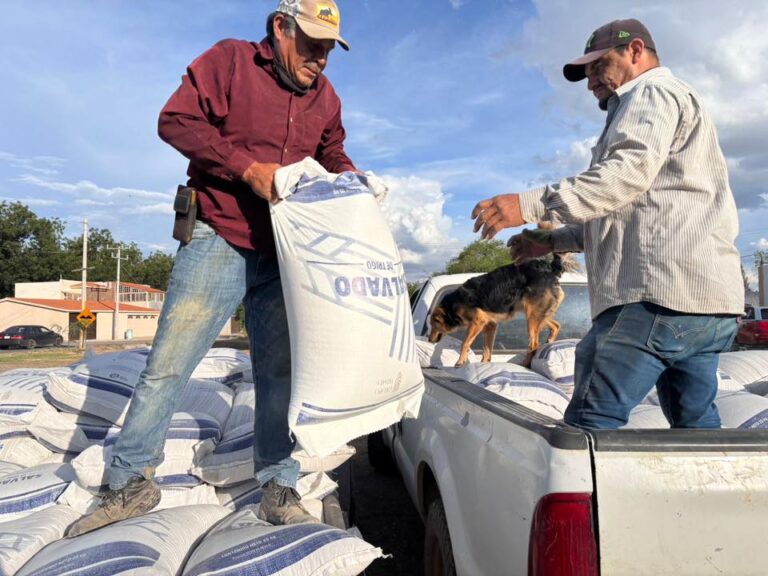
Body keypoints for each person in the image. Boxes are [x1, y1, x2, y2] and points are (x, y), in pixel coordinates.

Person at [67, 0, 356, 537]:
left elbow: (332, 150)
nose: (320, 58)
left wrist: (352, 182)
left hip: (284, 252)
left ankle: (278, 482)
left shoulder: (326, 98)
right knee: (169, 364)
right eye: (312, 44)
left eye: (328, 49)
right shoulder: (230, 62)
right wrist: (245, 168)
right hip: (218, 235)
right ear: (280, 28)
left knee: (279, 374)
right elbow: (174, 120)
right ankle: (129, 481)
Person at [471, 19, 743, 430]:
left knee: (588, 424)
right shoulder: (664, 102)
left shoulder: (651, 93)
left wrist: (527, 204)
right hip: (704, 304)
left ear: (635, 50)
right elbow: (627, 207)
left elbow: (624, 176)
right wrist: (551, 241)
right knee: (695, 427)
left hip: (656, 297)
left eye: (599, 66)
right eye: (586, 73)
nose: (590, 82)